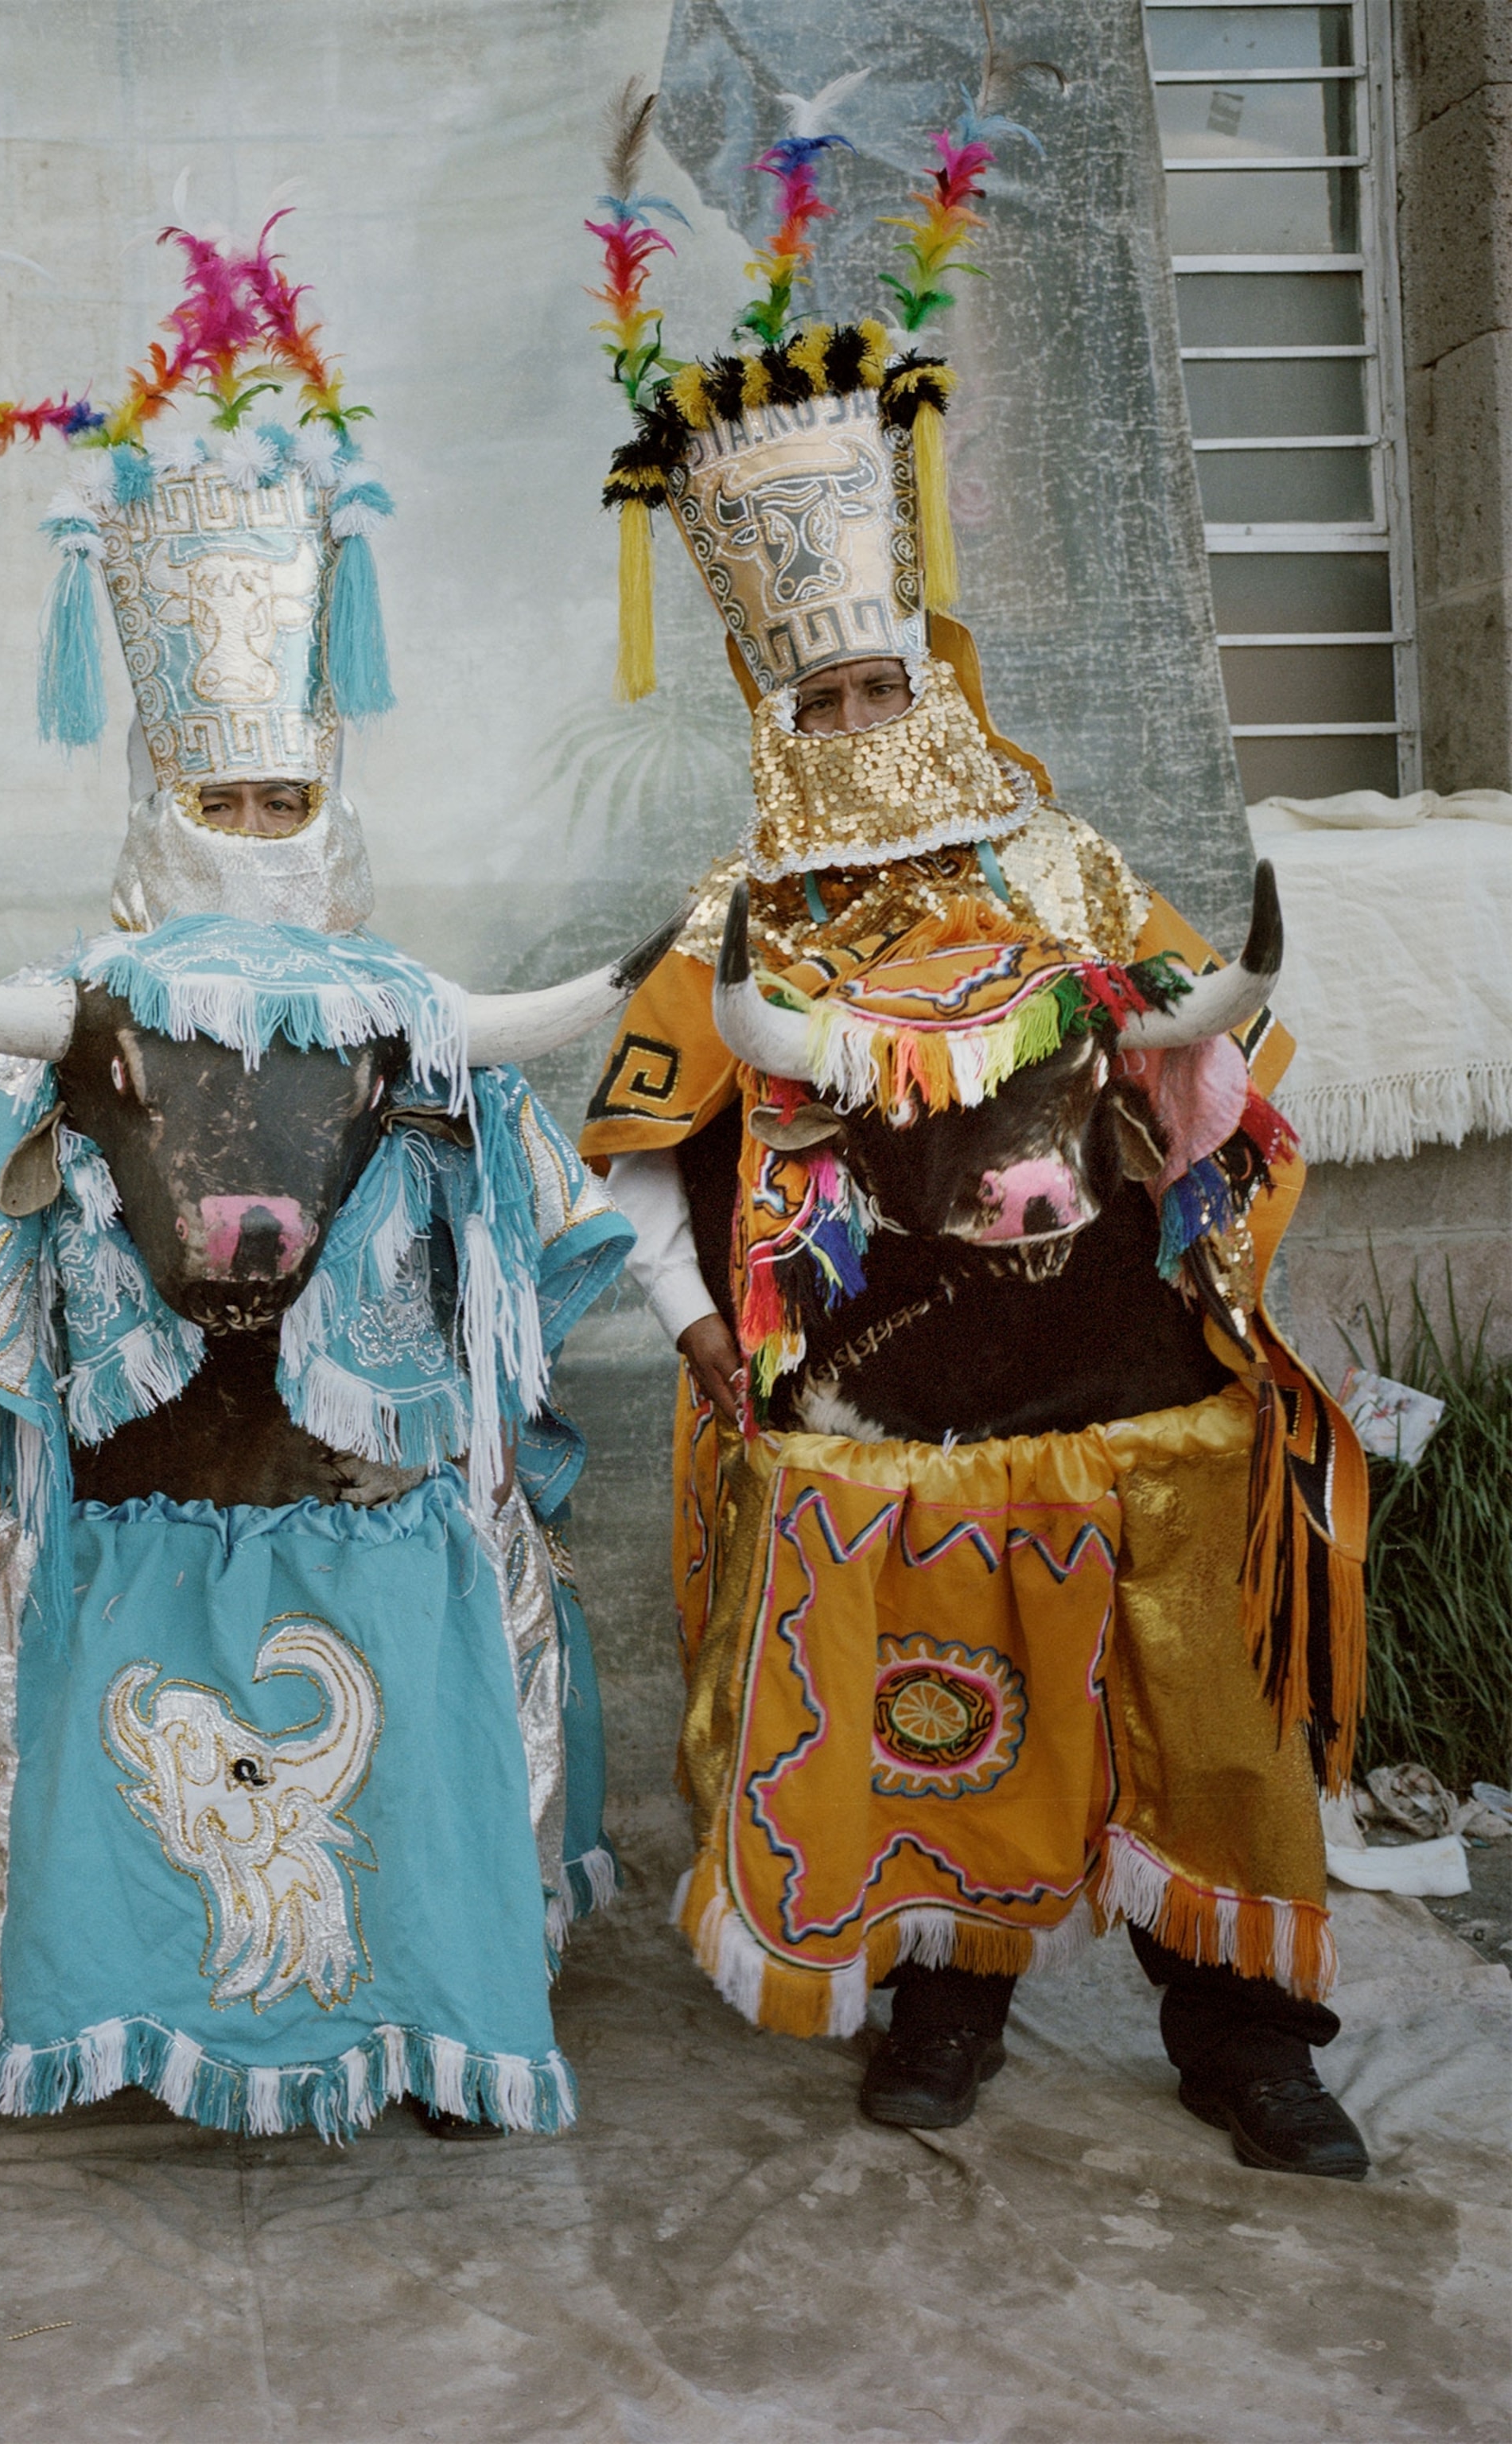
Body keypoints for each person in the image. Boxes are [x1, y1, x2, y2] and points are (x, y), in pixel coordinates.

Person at [576, 91, 1370, 2177]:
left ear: (933, 655)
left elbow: (1218, 1076)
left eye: (879, 680)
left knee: (1209, 1715)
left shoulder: (1075, 874)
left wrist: (1169, 1102)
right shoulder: (723, 935)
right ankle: (950, 1991)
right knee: (949, 1712)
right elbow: (647, 1156)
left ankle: (1248, 2024)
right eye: (816, 700)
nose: (857, 719)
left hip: (1128, 1385)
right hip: (906, 1419)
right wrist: (705, 1340)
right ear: (769, 701)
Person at [0, 220, 656, 2149]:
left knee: (449, 1583)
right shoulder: (63, 1020)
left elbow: (523, 1289)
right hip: (130, 1499)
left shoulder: (418, 1016)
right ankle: (54, 1985)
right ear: (154, 792)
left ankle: (429, 2006)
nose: (247, 835)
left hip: (363, 1502)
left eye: (278, 799)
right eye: (214, 800)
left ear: (333, 795)